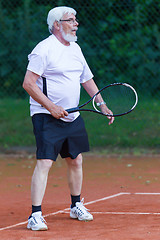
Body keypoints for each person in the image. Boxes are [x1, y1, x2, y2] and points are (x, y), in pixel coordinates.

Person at [23, 6, 114, 231]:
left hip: (73, 115)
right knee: (45, 162)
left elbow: (87, 79)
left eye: (76, 20)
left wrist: (102, 104)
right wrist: (51, 107)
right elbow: (28, 83)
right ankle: (35, 215)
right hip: (46, 114)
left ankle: (75, 206)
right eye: (70, 20)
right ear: (56, 24)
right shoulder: (43, 49)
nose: (76, 23)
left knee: (76, 160)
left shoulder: (75, 48)